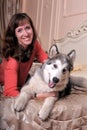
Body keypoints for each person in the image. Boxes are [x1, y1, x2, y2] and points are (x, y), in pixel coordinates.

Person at [2, 13, 48, 97]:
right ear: (14, 35)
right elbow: (10, 91)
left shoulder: (34, 44)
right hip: (4, 83)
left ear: (32, 28)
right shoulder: (12, 61)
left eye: (27, 28)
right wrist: (37, 95)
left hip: (23, 81)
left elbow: (46, 61)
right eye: (20, 30)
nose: (26, 34)